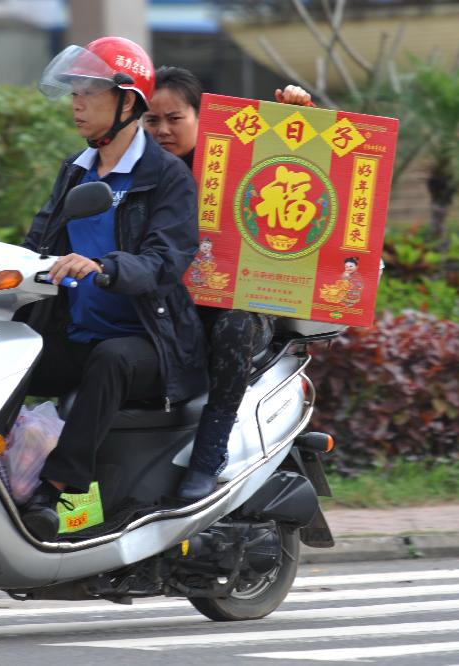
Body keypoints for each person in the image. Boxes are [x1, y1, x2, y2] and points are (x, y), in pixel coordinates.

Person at [18, 38, 207, 540]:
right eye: (74, 91)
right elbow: (38, 240)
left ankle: (60, 486)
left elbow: (165, 261)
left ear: (127, 102)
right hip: (81, 331)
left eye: (90, 91)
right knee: (13, 356)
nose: (77, 102)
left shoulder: (166, 176)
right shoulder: (76, 168)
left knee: (112, 359)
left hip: (150, 342)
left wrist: (104, 267)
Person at [142, 66, 313, 500]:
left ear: (204, 117)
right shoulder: (136, 172)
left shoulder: (240, 159)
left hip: (241, 305)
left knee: (234, 327)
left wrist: (297, 116)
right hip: (168, 306)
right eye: (151, 120)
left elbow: (307, 162)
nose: (162, 130)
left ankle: (208, 456)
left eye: (174, 118)